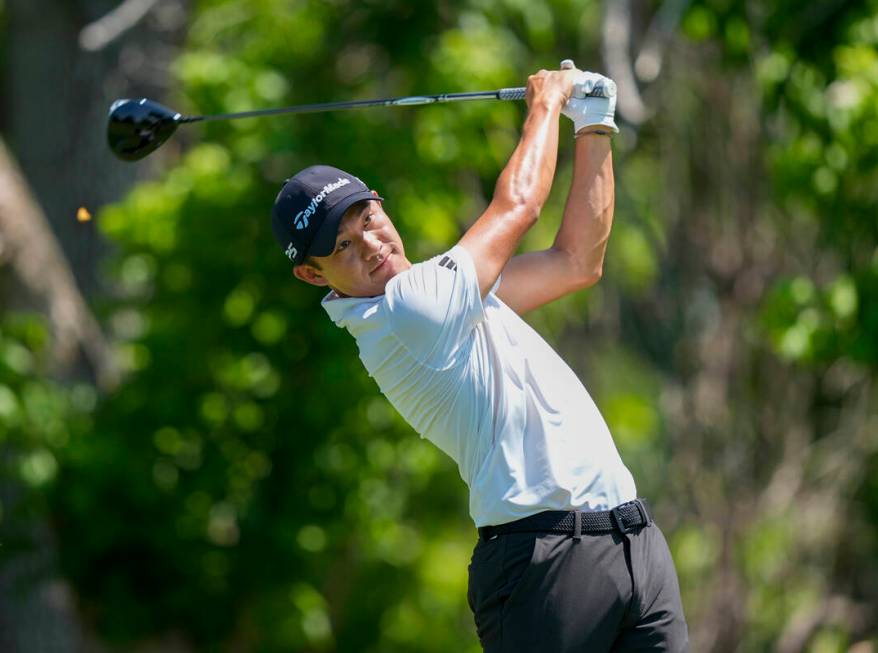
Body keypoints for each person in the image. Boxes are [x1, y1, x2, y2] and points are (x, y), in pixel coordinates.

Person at [269, 62, 688, 652]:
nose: (371, 244)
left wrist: (594, 127)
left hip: (631, 537)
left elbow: (576, 262)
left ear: (382, 206)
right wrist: (547, 103)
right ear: (313, 274)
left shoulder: (446, 296)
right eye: (342, 246)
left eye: (368, 220)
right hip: (542, 562)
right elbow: (518, 207)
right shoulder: (411, 311)